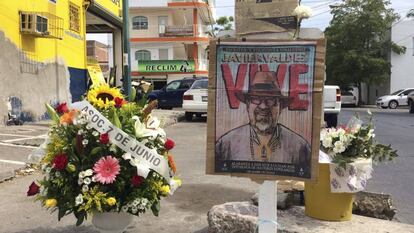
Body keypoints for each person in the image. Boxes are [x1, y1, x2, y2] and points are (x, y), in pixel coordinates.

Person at [215, 71, 311, 166]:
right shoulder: (225, 144)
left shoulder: (300, 147)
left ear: (280, 107)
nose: (263, 106)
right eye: (256, 98)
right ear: (248, 105)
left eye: (270, 100)